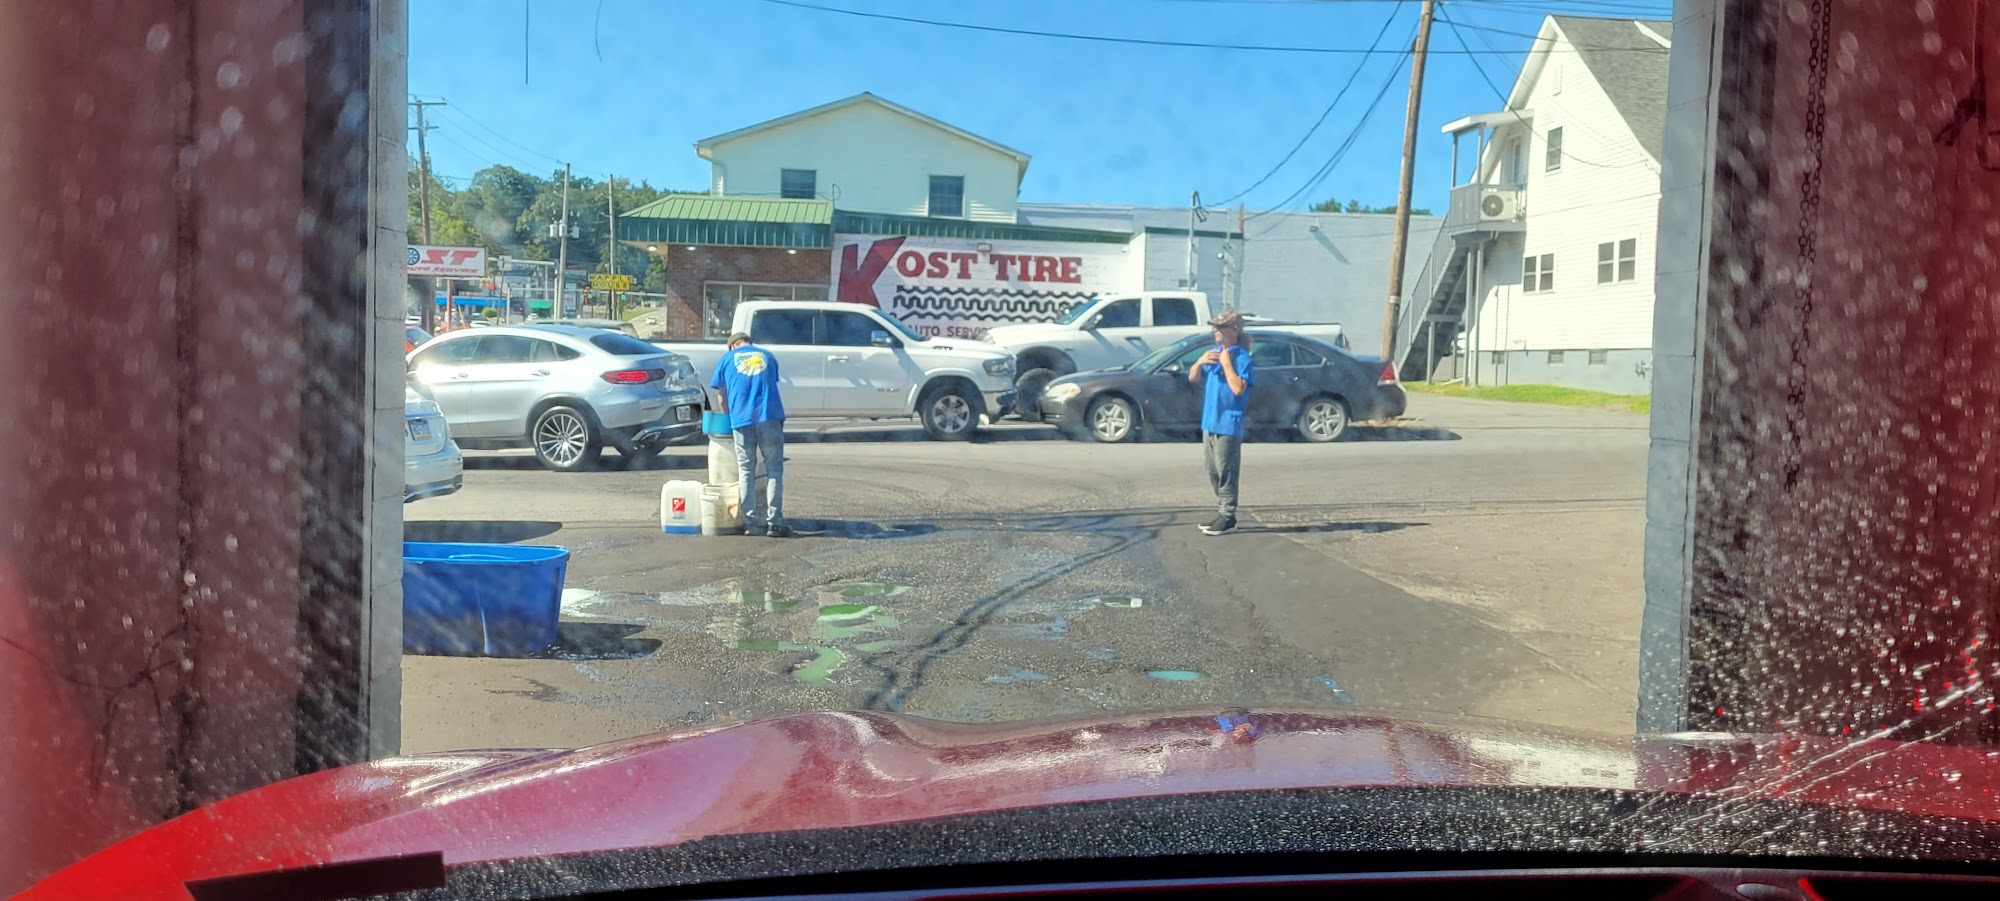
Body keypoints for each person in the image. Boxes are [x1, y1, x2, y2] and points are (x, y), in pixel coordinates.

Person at [710, 332, 789, 537]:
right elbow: (770, 383)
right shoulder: (768, 356)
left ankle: (750, 522)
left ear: (732, 346)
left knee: (746, 471)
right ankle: (775, 523)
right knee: (774, 470)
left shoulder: (727, 359)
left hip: (742, 420)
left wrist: (730, 417)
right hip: (770, 417)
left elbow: (721, 397)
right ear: (749, 343)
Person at [1189, 308, 1254, 536]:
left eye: (1220, 327)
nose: (1214, 331)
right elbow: (1193, 377)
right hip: (1210, 422)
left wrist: (1226, 364)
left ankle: (1228, 517)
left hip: (1228, 424)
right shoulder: (1214, 353)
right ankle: (1222, 512)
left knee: (1226, 471)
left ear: (1233, 330)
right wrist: (1199, 362)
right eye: (1214, 327)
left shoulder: (1241, 358)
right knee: (1213, 470)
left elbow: (1238, 388)